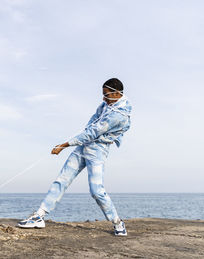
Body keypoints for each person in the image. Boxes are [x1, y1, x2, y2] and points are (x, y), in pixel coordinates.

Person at [17, 78, 132, 236]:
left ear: (117, 93)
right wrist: (80, 139)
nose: (103, 98)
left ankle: (117, 223)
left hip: (98, 150)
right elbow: (93, 120)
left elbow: (94, 131)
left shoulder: (120, 115)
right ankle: (39, 216)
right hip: (84, 146)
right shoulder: (106, 104)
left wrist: (64, 145)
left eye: (106, 95)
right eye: (103, 95)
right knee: (62, 179)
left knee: (96, 190)